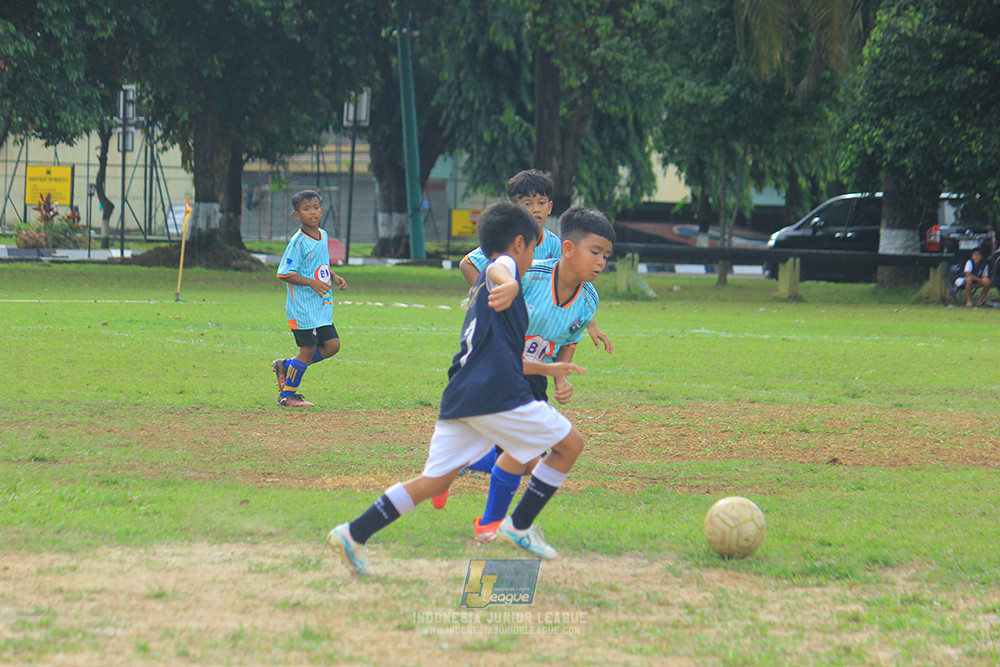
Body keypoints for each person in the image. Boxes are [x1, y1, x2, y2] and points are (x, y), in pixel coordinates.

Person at [327, 201, 587, 575]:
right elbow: (501, 267)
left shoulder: (486, 289)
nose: (532, 257)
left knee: (435, 481)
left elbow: (504, 354)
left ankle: (353, 533)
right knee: (570, 444)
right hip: (495, 393)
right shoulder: (504, 271)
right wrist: (511, 281)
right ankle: (520, 525)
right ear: (518, 244)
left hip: (463, 394)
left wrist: (548, 367)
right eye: (532, 248)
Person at [466, 207, 614, 543]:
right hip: (497, 371)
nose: (601, 262)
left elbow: (569, 340)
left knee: (522, 454)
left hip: (534, 378)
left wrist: (561, 378)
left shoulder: (589, 301)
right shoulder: (530, 277)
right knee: (531, 453)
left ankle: (474, 470)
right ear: (568, 248)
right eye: (595, 252)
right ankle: (497, 524)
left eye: (606, 255)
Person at [459, 169, 612, 353]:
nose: (535, 209)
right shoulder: (508, 240)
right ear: (515, 208)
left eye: (541, 203)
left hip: (539, 318)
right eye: (528, 204)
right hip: (511, 314)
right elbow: (468, 264)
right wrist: (484, 291)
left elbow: (574, 284)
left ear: (549, 207)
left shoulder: (555, 243)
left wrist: (591, 325)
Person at [271, 189, 347, 407]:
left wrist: (333, 276)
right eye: (306, 209)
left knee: (332, 345)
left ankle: (286, 366)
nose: (312, 212)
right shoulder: (298, 242)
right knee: (308, 350)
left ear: (321, 210)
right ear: (297, 215)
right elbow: (284, 273)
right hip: (302, 309)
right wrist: (312, 283)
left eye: (315, 207)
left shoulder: (323, 235)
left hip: (321, 307)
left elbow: (320, 265)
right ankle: (287, 395)